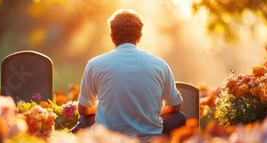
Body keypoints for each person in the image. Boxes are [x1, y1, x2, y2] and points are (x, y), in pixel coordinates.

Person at [71, 9, 186, 142]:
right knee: (179, 117)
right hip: (149, 138)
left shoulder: (95, 64)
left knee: (84, 120)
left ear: (112, 36)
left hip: (108, 137)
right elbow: (175, 106)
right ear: (139, 36)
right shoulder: (160, 64)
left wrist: (108, 110)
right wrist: (151, 114)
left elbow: (83, 110)